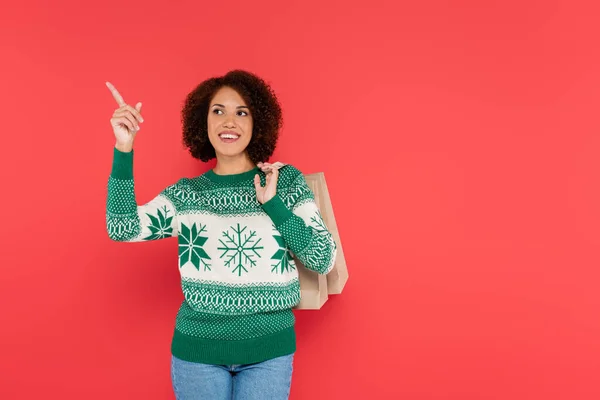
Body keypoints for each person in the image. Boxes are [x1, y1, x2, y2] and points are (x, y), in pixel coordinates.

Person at [105, 70, 337, 400]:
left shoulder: (285, 183)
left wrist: (273, 205)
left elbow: (323, 258)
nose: (229, 121)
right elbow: (121, 227)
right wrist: (123, 149)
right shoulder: (187, 195)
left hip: (268, 353)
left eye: (241, 112)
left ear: (258, 123)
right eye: (218, 111)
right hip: (197, 354)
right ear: (204, 122)